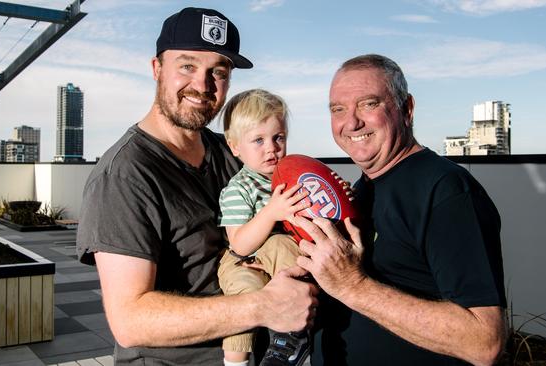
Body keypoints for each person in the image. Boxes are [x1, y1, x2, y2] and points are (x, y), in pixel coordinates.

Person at [76, 8, 318, 366]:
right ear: (157, 69)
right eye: (187, 66)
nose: (203, 85)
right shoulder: (125, 174)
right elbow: (129, 321)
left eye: (218, 72)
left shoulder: (233, 151)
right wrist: (263, 306)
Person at [294, 54, 508, 365]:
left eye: (369, 104)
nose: (351, 122)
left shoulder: (446, 189)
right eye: (338, 110)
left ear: (406, 109)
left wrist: (353, 286)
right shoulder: (365, 187)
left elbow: (484, 342)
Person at [217, 89, 312, 366]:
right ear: (235, 147)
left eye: (278, 137)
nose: (271, 147)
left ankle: (290, 337)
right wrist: (271, 212)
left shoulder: (293, 180)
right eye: (258, 140)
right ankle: (235, 362)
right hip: (242, 262)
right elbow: (239, 244)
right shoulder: (239, 188)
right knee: (242, 302)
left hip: (281, 262)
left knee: (285, 246)